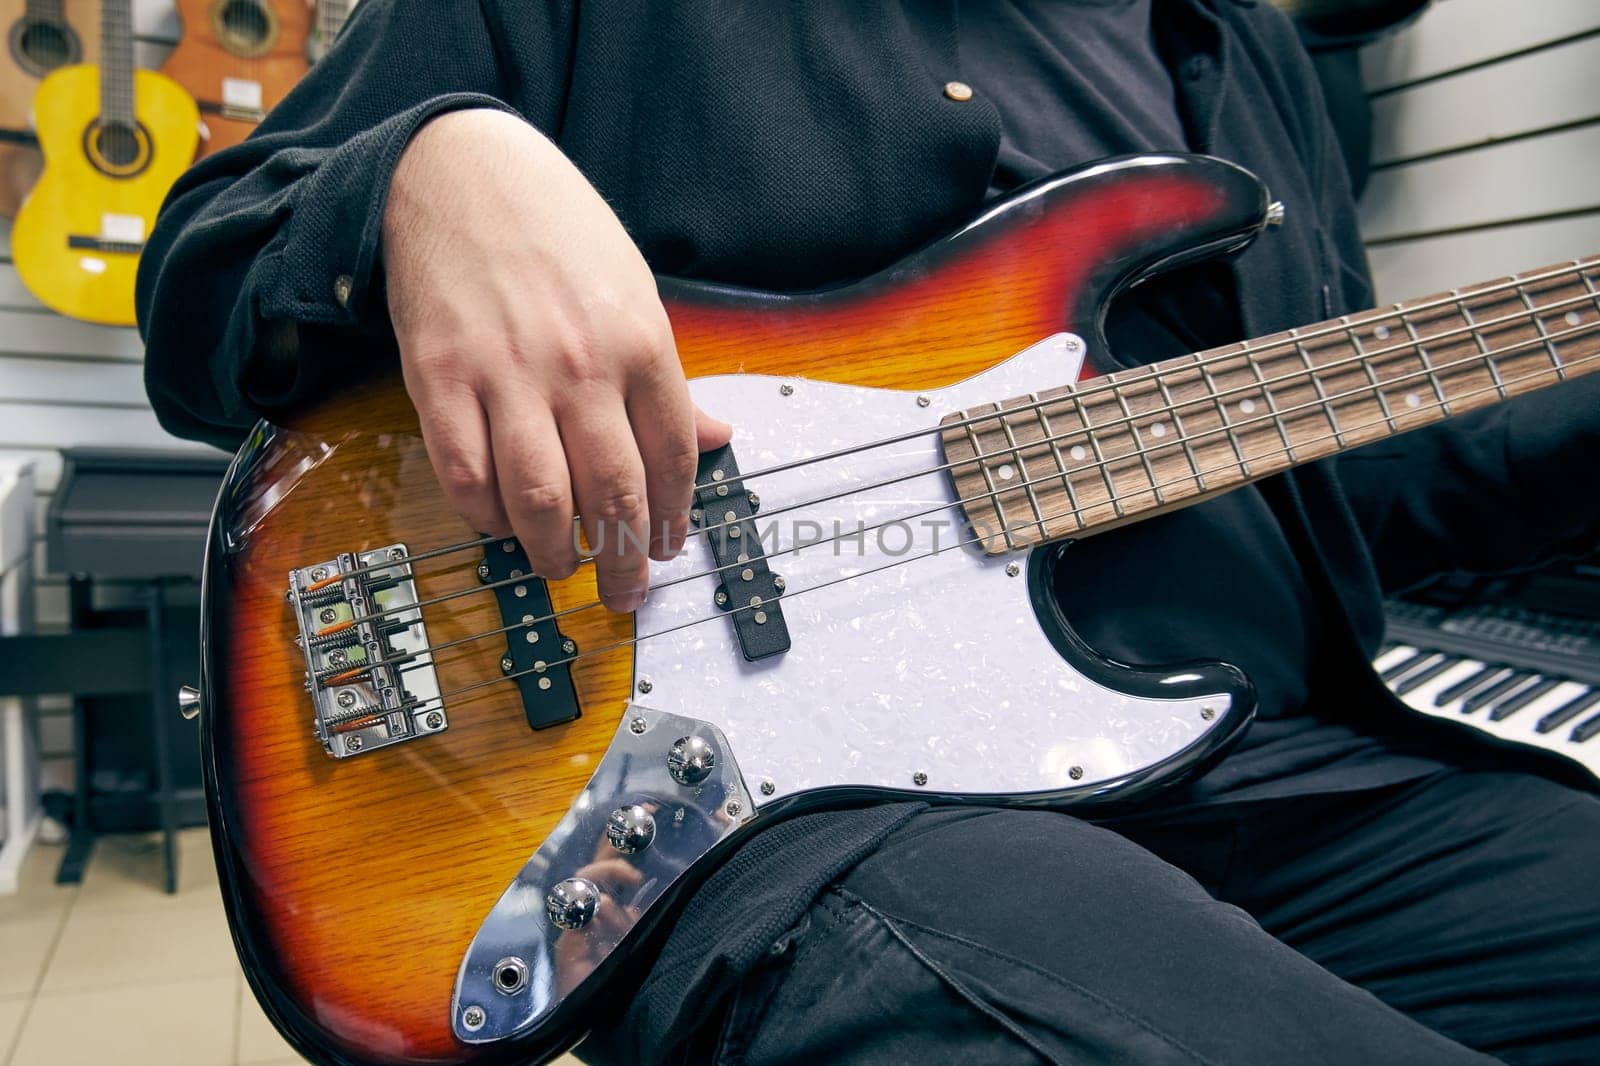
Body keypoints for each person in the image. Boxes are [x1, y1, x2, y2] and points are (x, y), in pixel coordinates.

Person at [136, 1, 1600, 1062]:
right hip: (798, 812)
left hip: (1279, 775)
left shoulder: (1241, 50)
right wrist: (419, 176)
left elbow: (1354, 497)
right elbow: (202, 279)